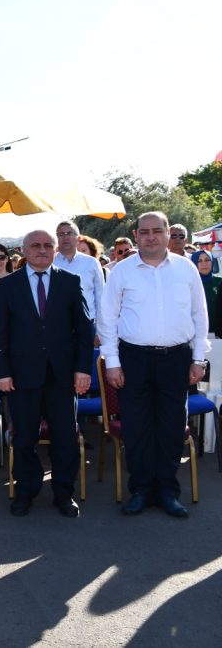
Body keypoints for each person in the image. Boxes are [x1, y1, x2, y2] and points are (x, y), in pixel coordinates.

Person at [99, 212, 209, 518]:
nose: (151, 236)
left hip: (176, 358)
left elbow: (200, 316)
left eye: (157, 231)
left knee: (172, 427)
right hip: (133, 359)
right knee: (137, 428)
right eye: (144, 232)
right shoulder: (122, 271)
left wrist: (199, 358)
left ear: (167, 233)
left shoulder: (186, 269)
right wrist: (113, 362)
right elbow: (107, 319)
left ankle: (167, 491)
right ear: (136, 235)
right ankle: (141, 490)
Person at [0, 230, 93, 518]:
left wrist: (83, 369)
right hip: (22, 377)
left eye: (47, 245)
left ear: (55, 249)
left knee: (65, 438)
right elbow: (0, 333)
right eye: (35, 245)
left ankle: (63, 493)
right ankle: (25, 491)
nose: (42, 250)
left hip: (62, 377)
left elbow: (84, 331)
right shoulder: (8, 285)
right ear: (23, 250)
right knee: (24, 438)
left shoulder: (70, 282)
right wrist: (2, 371)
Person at [53, 221, 104, 329]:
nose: (65, 237)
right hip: (57, 324)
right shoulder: (50, 263)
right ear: (57, 238)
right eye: (61, 234)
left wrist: (101, 328)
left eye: (69, 233)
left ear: (78, 238)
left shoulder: (91, 263)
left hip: (87, 323)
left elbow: (100, 296)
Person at [191, 250, 222, 334]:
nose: (204, 264)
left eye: (207, 260)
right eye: (199, 261)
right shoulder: (190, 284)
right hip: (196, 334)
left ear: (212, 262)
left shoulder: (219, 282)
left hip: (218, 334)